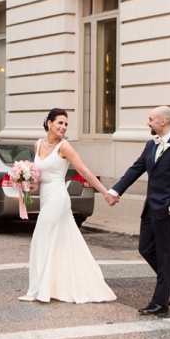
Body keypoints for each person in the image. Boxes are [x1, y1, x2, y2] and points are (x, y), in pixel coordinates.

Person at [19, 108, 117, 304]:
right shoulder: (38, 144)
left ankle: (37, 290)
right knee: (57, 241)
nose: (63, 127)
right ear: (49, 123)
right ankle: (49, 286)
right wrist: (27, 183)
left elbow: (84, 170)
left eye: (66, 124)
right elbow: (39, 179)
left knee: (40, 237)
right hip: (45, 195)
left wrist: (105, 191)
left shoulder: (65, 147)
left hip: (58, 197)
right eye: (60, 123)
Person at [106, 106, 170, 316]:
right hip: (149, 208)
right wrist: (115, 190)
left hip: (167, 211)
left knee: (164, 257)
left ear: (163, 121)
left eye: (151, 119)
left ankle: (159, 303)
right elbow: (135, 169)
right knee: (145, 248)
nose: (148, 123)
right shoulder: (150, 145)